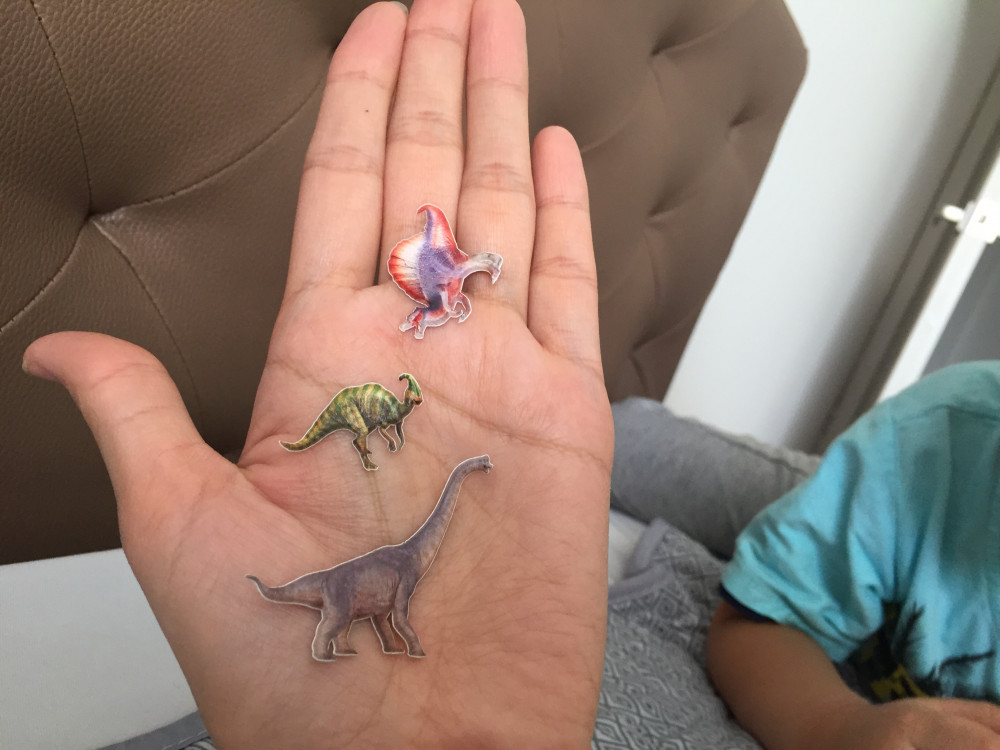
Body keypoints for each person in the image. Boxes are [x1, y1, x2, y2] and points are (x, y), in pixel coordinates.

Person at [22, 0, 613, 746]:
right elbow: (387, 415)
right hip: (367, 449)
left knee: (378, 560)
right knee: (346, 595)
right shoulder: (389, 419)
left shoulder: (408, 420)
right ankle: (336, 629)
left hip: (396, 398)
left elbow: (405, 407)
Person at [707, 362, 1000, 750]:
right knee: (677, 456)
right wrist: (838, 728)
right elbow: (752, 624)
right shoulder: (929, 439)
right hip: (896, 484)